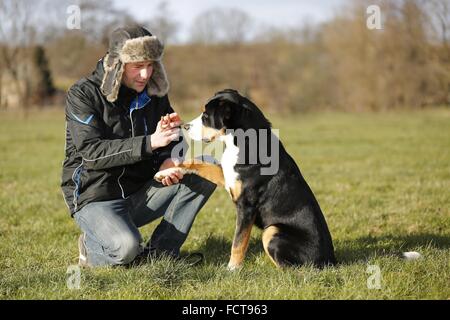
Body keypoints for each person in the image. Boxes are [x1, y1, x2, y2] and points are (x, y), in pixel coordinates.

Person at [61, 26, 216, 267]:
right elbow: (92, 153)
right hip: (95, 196)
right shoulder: (82, 94)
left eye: (151, 65)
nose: (145, 74)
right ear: (117, 64)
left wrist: (168, 159)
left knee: (206, 166)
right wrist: (151, 142)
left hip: (141, 190)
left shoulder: (154, 93)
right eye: (137, 66)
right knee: (126, 248)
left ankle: (161, 253)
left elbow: (171, 137)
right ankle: (91, 246)